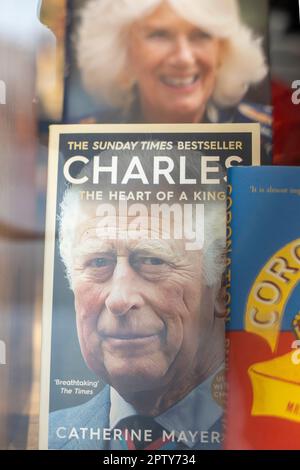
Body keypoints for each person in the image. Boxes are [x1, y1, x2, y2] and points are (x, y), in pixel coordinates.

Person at [49, 150, 227, 450]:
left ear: (223, 287)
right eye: (98, 262)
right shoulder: (47, 437)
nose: (119, 299)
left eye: (153, 260)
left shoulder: (277, 433)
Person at [75, 0, 272, 160]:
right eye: (160, 35)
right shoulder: (80, 146)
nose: (184, 58)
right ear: (124, 51)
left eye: (201, 35)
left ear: (222, 49)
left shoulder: (272, 137)